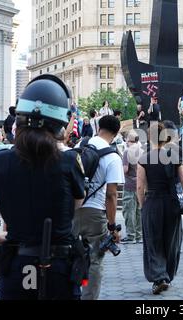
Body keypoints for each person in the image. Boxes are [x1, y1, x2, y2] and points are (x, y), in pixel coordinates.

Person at [0, 74, 87, 300]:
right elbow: (76, 205)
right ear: (60, 122)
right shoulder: (68, 161)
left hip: (16, 265)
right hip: (59, 268)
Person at [72, 115, 124, 300]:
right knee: (94, 260)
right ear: (116, 133)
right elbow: (111, 194)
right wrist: (112, 226)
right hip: (94, 213)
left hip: (71, 208)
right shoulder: (112, 156)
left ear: (98, 127)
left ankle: (70, 292)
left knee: (68, 254)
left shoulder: (80, 145)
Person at [137, 122, 183, 294]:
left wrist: (143, 205)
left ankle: (159, 276)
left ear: (149, 137)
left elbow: (140, 187)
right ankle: (168, 275)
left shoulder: (144, 158)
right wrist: (182, 201)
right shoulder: (174, 156)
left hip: (153, 202)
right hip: (172, 202)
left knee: (153, 241)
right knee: (172, 240)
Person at [121, 131, 143, 244]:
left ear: (129, 141)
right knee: (139, 211)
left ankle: (130, 236)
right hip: (141, 185)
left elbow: (125, 169)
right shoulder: (143, 151)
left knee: (129, 211)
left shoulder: (127, 152)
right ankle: (139, 236)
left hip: (129, 185)